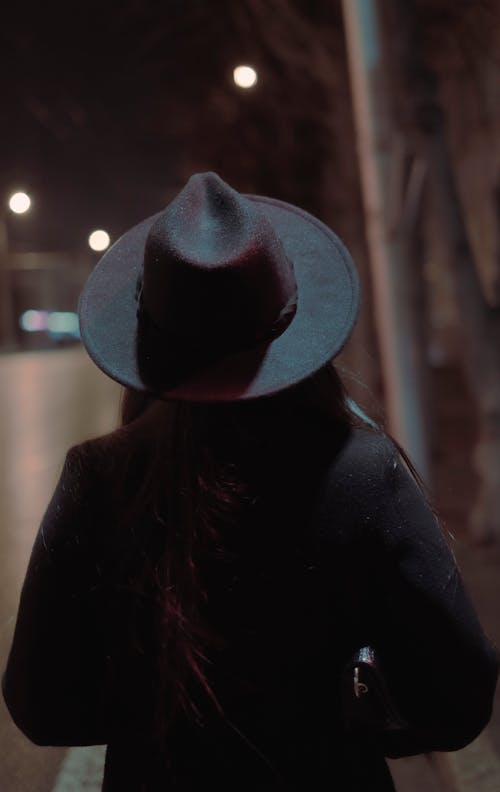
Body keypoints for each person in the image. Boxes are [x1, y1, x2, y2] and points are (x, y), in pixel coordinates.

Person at [2, 172, 498, 791]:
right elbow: (458, 698)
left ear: (148, 338)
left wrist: (155, 708)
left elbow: (41, 705)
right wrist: (356, 711)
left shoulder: (98, 480)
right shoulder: (365, 474)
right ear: (289, 324)